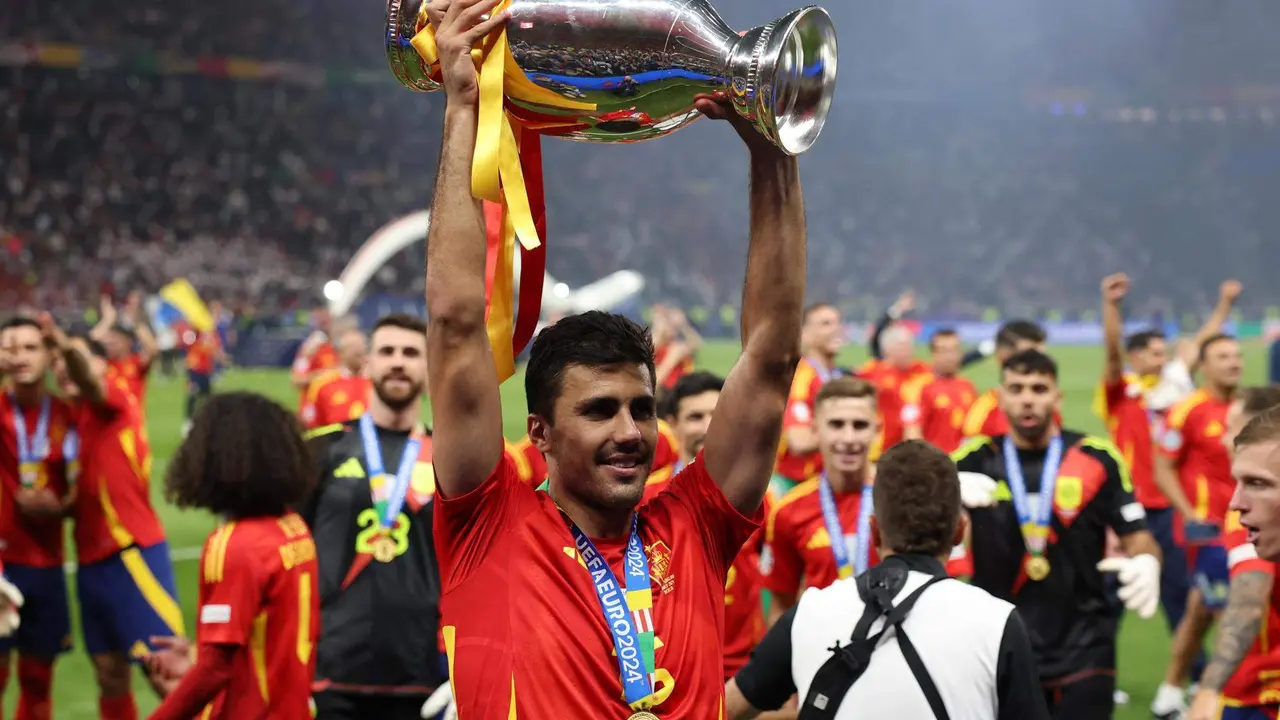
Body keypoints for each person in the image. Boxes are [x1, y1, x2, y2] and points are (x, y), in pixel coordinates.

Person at [424, 0, 806, 712]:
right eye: (599, 411)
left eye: (640, 407)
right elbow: (453, 324)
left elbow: (770, 357)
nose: (631, 432)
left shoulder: (692, 523)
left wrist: (773, 149)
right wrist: (462, 111)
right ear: (538, 432)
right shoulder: (487, 522)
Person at [726, 440, 1050, 720]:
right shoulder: (997, 621)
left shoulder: (808, 614)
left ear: (875, 531)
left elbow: (723, 708)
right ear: (959, 532)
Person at [954, 349, 1162, 719]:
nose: (1028, 398)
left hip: (1085, 648)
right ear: (1000, 397)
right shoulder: (974, 459)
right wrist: (946, 490)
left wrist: (1147, 560)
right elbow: (915, 516)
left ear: (1057, 396)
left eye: (1039, 388)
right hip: (999, 646)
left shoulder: (1097, 457)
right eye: (1016, 388)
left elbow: (1138, 535)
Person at [301, 314, 446, 719]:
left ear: (428, 367)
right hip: (332, 672)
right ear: (367, 364)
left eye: (411, 353)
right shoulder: (320, 452)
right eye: (387, 351)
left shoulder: (449, 459)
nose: (398, 362)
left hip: (421, 677)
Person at [39, 315, 182, 720]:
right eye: (59, 364)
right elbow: (87, 490)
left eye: (77, 359)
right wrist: (58, 508)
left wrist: (65, 345)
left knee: (164, 669)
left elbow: (89, 380)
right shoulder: (73, 422)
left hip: (131, 552)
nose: (64, 368)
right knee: (109, 673)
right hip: (89, 561)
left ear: (103, 365)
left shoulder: (115, 396)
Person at [143, 392, 320, 719]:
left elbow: (215, 669)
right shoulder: (294, 529)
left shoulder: (234, 545)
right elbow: (264, 635)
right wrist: (199, 651)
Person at [643, 371, 768, 681]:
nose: (708, 426)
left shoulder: (757, 498)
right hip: (669, 674)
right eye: (695, 416)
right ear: (672, 423)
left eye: (716, 414)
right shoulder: (644, 500)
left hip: (743, 671)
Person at [1151, 333, 1245, 718]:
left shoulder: (1248, 409)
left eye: (1237, 355)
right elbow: (1161, 467)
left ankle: (1170, 693)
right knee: (1234, 617)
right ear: (1203, 365)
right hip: (1209, 534)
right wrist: (1189, 513)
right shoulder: (1186, 410)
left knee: (1198, 613)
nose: (1234, 362)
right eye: (1223, 356)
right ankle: (1222, 700)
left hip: (1247, 528)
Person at [1185, 386, 1280, 720]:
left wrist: (1208, 690)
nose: (1225, 438)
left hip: (1258, 697)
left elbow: (1248, 602)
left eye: (1233, 427)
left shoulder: (1253, 514)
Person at [0, 318, 76, 720]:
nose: (20, 357)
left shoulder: (67, 413)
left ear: (49, 355)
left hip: (46, 564)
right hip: (0, 565)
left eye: (31, 348)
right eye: (11, 349)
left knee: (37, 681)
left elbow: (86, 486)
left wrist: (61, 508)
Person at [763, 378, 883, 622]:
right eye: (836, 425)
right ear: (815, 430)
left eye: (859, 425)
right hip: (822, 654)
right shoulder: (789, 511)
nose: (849, 438)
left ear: (877, 430)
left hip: (893, 652)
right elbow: (781, 605)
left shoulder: (901, 499)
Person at [773, 302, 845, 497]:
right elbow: (800, 441)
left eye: (839, 322)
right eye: (826, 323)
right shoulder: (800, 379)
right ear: (804, 333)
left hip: (826, 483)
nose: (837, 328)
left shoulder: (837, 377)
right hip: (796, 484)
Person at [857, 293, 934, 459]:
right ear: (887, 349)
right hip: (881, 452)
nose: (908, 352)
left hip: (914, 450)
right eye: (902, 347)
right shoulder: (872, 373)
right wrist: (895, 310)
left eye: (910, 346)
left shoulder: (921, 370)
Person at [961, 320, 1049, 438]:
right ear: (1002, 357)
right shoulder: (983, 418)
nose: (1039, 364)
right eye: (1029, 356)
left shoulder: (1047, 409)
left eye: (1042, 357)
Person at [902, 328, 979, 453]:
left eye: (954, 350)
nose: (950, 356)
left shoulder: (968, 386)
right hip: (935, 465)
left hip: (964, 464)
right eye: (944, 351)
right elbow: (912, 434)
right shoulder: (919, 387)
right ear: (933, 353)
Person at [301, 326, 371, 430]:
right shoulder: (323, 384)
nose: (361, 354)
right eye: (354, 350)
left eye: (363, 349)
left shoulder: (376, 382)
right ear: (341, 353)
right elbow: (311, 424)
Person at [291, 306, 339, 417]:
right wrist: (323, 375)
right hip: (311, 413)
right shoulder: (310, 350)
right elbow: (296, 380)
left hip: (332, 412)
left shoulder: (337, 350)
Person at [181, 324, 226, 436]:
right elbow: (186, 343)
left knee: (207, 397)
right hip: (194, 369)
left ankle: (208, 421)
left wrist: (221, 358)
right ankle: (188, 422)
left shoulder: (211, 335)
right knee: (193, 395)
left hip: (205, 370)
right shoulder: (194, 332)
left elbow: (215, 349)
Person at [652, 305, 703, 394]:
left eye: (674, 326)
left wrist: (684, 325)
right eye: (669, 324)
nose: (672, 328)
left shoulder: (677, 346)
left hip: (675, 392)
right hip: (661, 392)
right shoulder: (655, 345)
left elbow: (697, 344)